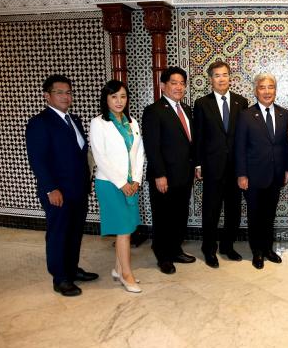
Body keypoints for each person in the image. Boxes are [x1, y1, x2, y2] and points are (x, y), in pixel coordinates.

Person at [26, 74, 98, 297]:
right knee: (58, 234)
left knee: (74, 232)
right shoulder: (39, 123)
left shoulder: (73, 119)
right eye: (59, 92)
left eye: (68, 92)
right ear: (47, 96)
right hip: (58, 191)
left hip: (78, 189)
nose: (66, 96)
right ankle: (60, 278)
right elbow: (38, 160)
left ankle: (71, 270)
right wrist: (50, 189)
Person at [90, 80, 145, 292]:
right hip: (110, 184)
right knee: (123, 230)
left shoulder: (133, 122)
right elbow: (100, 157)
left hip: (132, 183)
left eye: (122, 96)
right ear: (106, 99)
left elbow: (139, 153)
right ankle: (126, 274)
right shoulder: (98, 123)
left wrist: (137, 180)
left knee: (128, 228)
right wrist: (122, 183)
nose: (119, 101)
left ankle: (117, 268)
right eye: (114, 97)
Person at [193, 61, 248, 268]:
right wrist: (198, 164)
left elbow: (244, 137)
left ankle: (227, 246)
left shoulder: (241, 102)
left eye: (225, 74)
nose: (222, 78)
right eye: (217, 75)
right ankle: (209, 249)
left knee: (234, 210)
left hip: (235, 168)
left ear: (230, 77)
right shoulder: (202, 103)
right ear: (211, 79)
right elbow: (198, 137)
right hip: (212, 166)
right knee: (211, 211)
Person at [235, 73, 288, 269]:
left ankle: (268, 249)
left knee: (269, 215)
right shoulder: (245, 115)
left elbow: (287, 145)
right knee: (254, 215)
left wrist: (287, 168)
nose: (267, 91)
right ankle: (257, 252)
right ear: (256, 90)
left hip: (276, 175)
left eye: (271, 87)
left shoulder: (285, 114)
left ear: (275, 91)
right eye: (262, 87)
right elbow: (240, 147)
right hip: (252, 176)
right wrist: (241, 174)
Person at [142, 67, 196, 275]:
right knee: (163, 218)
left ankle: (175, 250)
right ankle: (163, 256)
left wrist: (196, 166)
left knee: (179, 216)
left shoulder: (187, 110)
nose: (179, 87)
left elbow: (190, 142)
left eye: (182, 83)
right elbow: (152, 146)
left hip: (185, 174)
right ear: (163, 85)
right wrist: (159, 174)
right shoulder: (154, 110)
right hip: (164, 177)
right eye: (174, 82)